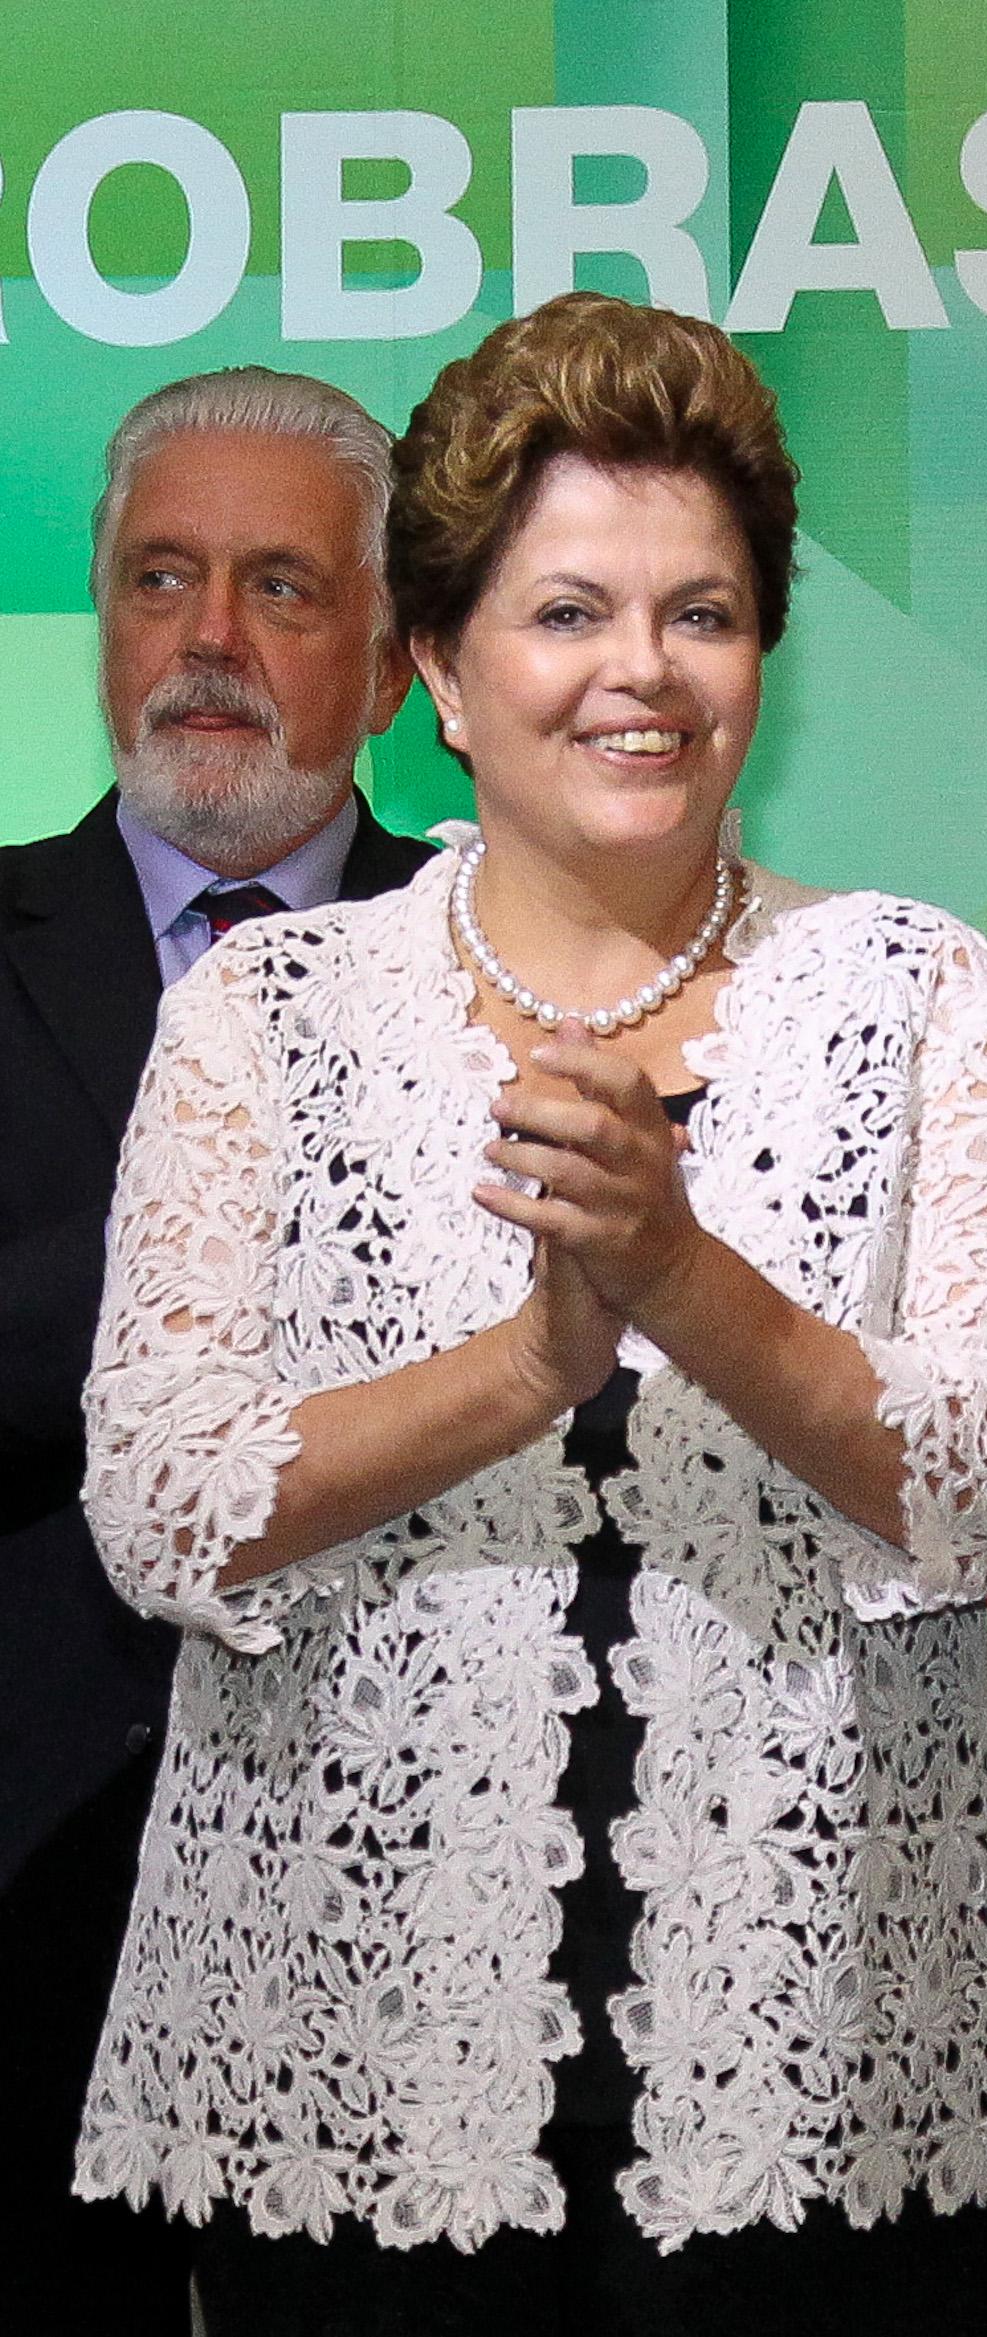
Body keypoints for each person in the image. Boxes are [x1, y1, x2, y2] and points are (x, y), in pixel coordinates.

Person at [70, 291, 987, 2333]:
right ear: (441, 670)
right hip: (352, 2053)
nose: (643, 669)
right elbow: (163, 1510)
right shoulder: (267, 1014)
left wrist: (679, 1276)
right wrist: (531, 1363)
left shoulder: (918, 997)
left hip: (821, 2050)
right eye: (566, 613)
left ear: (764, 653)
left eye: (701, 612)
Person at [0, 366, 427, 2337]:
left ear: (400, 661)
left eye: (281, 586)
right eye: (161, 579)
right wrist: (249, 1219)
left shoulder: (514, 959)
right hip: (31, 1860)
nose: (208, 639)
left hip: (416, 1877)